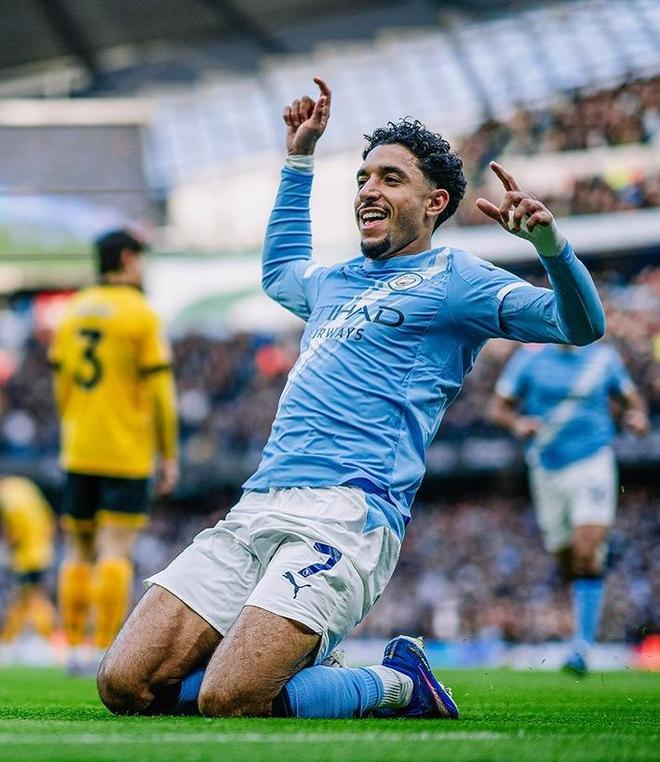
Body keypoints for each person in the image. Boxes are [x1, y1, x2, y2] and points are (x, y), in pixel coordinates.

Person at [97, 77, 605, 720]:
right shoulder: (334, 280)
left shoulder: (458, 280)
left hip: (348, 512)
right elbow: (279, 272)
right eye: (363, 178)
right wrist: (299, 159)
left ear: (434, 202)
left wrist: (551, 248)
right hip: (258, 505)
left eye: (391, 179)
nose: (368, 189)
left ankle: (400, 684)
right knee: (124, 686)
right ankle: (280, 666)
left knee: (232, 699)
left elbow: (579, 325)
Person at [49, 229, 178, 672]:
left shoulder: (72, 310)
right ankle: (103, 647)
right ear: (126, 259)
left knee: (77, 548)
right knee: (115, 549)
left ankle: (72, 648)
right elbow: (161, 394)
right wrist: (168, 454)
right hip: (126, 451)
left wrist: (74, 427)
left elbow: (61, 385)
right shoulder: (140, 314)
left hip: (78, 448)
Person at [491, 342, 648, 674]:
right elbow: (498, 408)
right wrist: (518, 423)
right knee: (566, 557)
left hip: (593, 459)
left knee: (586, 551)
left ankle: (582, 646)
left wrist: (636, 416)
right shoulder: (529, 358)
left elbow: (632, 400)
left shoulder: (604, 357)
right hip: (546, 466)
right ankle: (582, 616)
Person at [0, 476, 57, 662]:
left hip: (27, 557)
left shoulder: (7, 496)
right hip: (44, 550)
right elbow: (49, 517)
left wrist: (11, 543)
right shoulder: (24, 486)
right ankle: (10, 641)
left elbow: (16, 528)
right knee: (26, 599)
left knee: (30, 598)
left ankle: (44, 639)